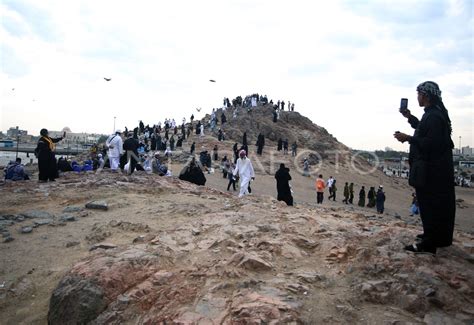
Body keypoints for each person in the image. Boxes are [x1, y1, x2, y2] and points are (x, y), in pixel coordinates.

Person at [394, 81, 455, 255]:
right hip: (433, 169)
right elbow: (423, 129)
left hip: (432, 171)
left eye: (419, 94)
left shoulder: (434, 116)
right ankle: (433, 236)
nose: (417, 97)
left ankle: (430, 243)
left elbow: (431, 142)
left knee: (430, 205)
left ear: (425, 96)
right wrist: (409, 117)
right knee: (432, 204)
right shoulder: (432, 114)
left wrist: (408, 138)